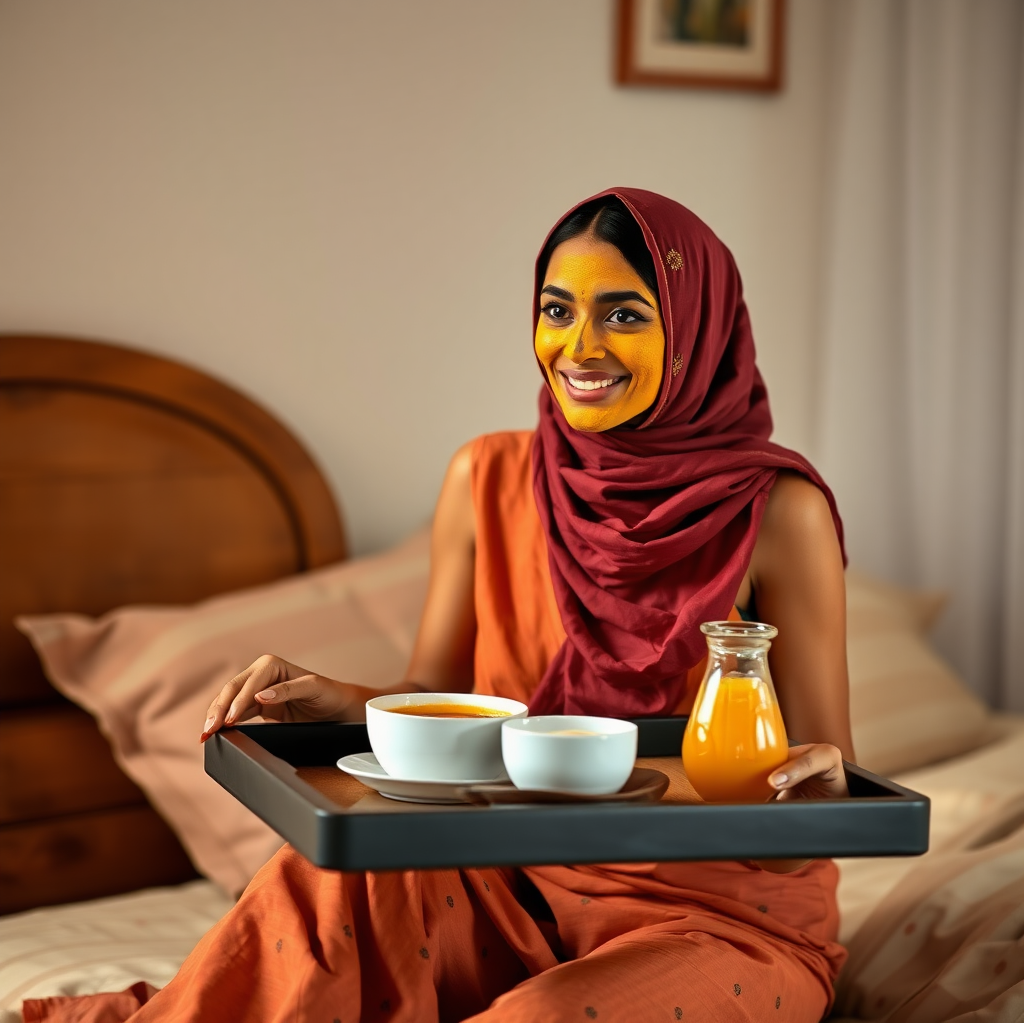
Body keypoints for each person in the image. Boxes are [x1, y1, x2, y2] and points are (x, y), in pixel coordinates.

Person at [27, 188, 853, 1023]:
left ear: (697, 332)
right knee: (312, 880)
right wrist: (337, 702)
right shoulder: (486, 477)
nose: (579, 346)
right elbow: (444, 704)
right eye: (557, 310)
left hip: (717, 914)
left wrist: (815, 799)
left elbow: (826, 790)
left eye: (626, 315)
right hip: (504, 877)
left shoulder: (778, 511)